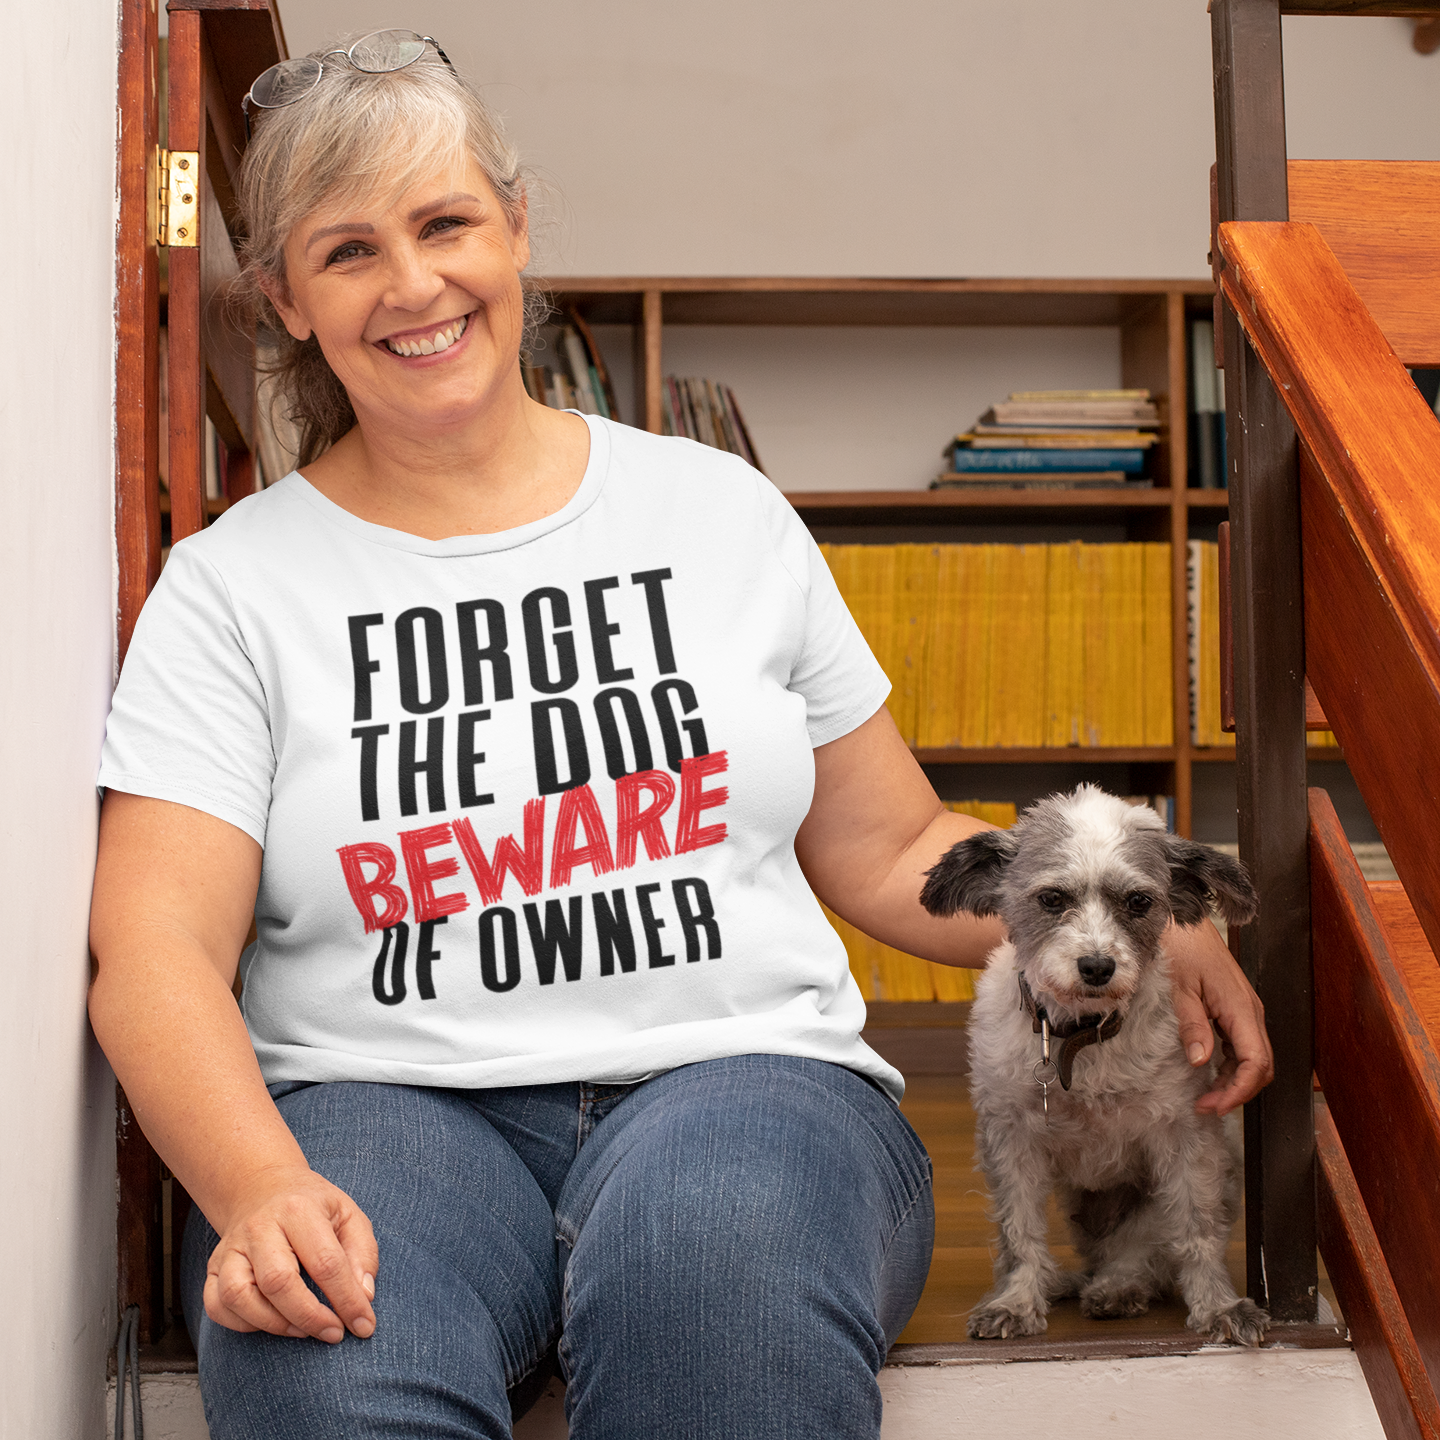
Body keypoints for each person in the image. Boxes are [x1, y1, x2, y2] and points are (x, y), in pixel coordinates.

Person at [87, 30, 1273, 1440]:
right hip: (374, 1106)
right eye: (346, 251)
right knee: (326, 1369)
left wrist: (1149, 926)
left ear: (516, 226)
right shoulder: (231, 586)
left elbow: (894, 845)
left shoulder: (721, 514)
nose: (413, 285)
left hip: (745, 1085)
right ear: (282, 296)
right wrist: (258, 1189)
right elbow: (154, 952)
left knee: (721, 1297)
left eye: (446, 221)